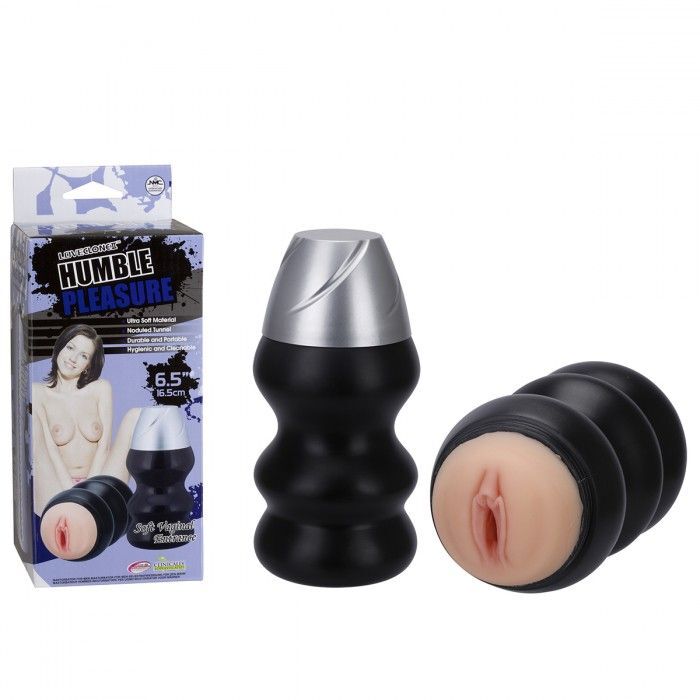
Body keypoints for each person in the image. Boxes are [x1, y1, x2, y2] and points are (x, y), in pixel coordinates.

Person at [32, 324, 137, 514]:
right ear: (60, 347)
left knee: (135, 417)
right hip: (56, 484)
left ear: (88, 365)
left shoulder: (100, 388)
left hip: (98, 481)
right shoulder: (38, 392)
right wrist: (74, 494)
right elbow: (49, 450)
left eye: (83, 356)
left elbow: (104, 447)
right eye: (70, 348)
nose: (73, 359)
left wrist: (90, 491)